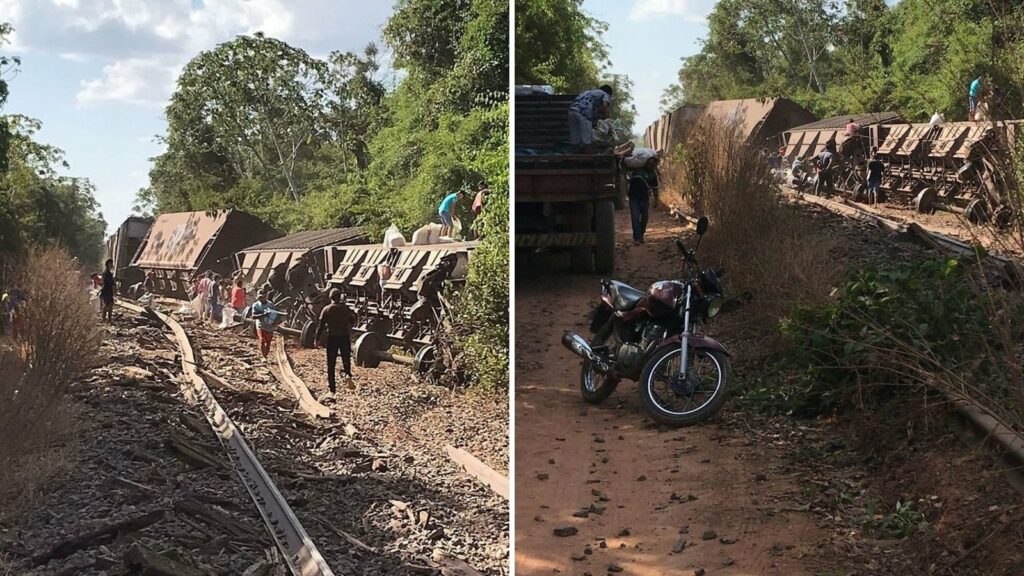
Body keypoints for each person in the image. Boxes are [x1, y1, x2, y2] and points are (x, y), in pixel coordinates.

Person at [315, 288, 356, 395]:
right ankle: (347, 374)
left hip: (332, 337)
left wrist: (317, 339)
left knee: (331, 363)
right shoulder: (345, 308)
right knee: (346, 358)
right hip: (344, 336)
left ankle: (332, 389)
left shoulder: (326, 309)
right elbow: (352, 321)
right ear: (340, 297)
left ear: (330, 297)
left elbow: (321, 326)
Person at [568, 85, 613, 153]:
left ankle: (574, 159)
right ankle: (587, 159)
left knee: (575, 139)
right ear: (609, 93)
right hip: (583, 112)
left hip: (572, 111)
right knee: (587, 140)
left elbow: (597, 110)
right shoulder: (605, 93)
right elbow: (604, 106)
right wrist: (608, 122)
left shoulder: (588, 93)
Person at [628, 168, 658, 245]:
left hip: (645, 198)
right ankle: (637, 238)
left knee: (645, 217)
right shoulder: (636, 170)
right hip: (633, 198)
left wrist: (656, 200)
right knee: (635, 217)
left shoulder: (652, 174)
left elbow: (655, 188)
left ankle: (641, 234)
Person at [251, 290, 279, 358]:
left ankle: (266, 354)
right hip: (261, 325)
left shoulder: (270, 304)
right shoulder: (256, 305)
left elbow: (275, 314)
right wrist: (263, 315)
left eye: (263, 297)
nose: (261, 299)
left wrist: (275, 323)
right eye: (260, 297)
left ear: (266, 297)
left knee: (268, 342)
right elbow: (253, 316)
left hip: (270, 326)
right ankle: (264, 357)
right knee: (262, 341)